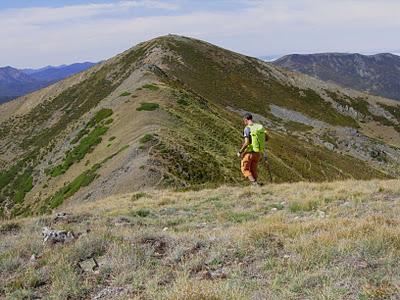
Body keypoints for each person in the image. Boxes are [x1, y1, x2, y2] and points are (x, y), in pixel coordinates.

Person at [237, 113, 268, 185]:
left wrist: (240, 151)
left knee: (245, 169)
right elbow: (267, 138)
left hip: (249, 153)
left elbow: (247, 142)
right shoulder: (259, 127)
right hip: (257, 153)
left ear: (246, 120)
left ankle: (254, 184)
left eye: (244, 121)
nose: (244, 122)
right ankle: (256, 186)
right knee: (253, 169)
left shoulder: (247, 128)